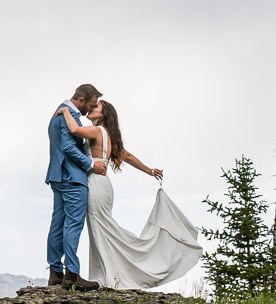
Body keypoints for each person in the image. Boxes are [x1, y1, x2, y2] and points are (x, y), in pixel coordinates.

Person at [55, 99, 203, 289]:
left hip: (96, 183)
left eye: (96, 107)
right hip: (102, 184)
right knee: (101, 228)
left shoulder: (98, 131)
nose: (91, 108)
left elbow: (75, 130)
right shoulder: (107, 134)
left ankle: (112, 274)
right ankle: (107, 273)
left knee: (101, 227)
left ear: (103, 114)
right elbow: (128, 156)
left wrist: (66, 111)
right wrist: (149, 170)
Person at [46, 84, 108, 290]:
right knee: (73, 224)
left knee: (57, 223)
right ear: (81, 100)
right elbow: (68, 147)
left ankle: (55, 272)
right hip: (72, 178)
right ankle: (72, 274)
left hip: (57, 175)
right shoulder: (69, 115)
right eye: (90, 105)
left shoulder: (57, 113)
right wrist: (90, 164)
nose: (91, 109)